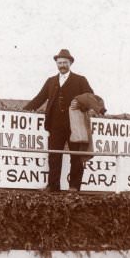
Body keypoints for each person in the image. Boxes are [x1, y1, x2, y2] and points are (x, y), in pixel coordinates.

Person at [24, 49, 94, 191]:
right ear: (56, 63)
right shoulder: (51, 81)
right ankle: (53, 186)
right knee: (54, 155)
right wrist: (24, 110)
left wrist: (80, 103)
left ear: (70, 63)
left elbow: (90, 97)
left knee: (76, 156)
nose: (62, 65)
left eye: (65, 62)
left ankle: (74, 186)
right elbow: (40, 98)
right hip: (55, 125)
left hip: (75, 125)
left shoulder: (80, 80)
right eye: (59, 62)